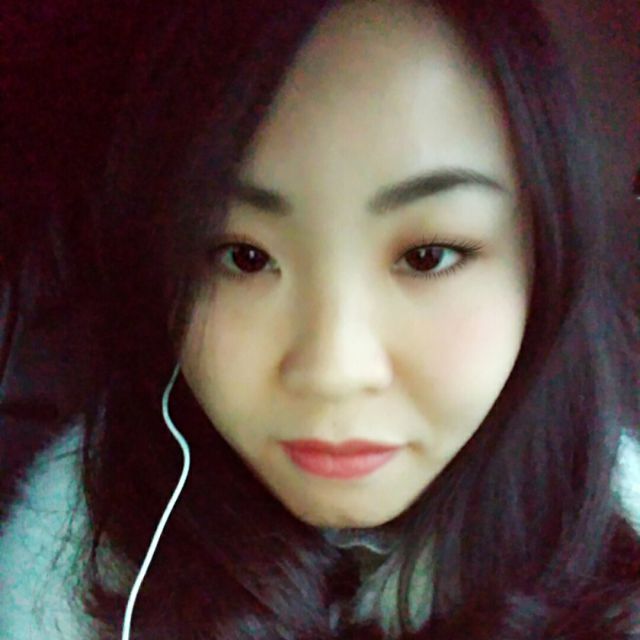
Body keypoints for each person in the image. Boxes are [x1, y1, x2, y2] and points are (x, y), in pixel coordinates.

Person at [0, 0, 638, 638]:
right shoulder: (65, 580)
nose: (333, 371)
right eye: (245, 257)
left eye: (427, 256)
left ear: (546, 265)